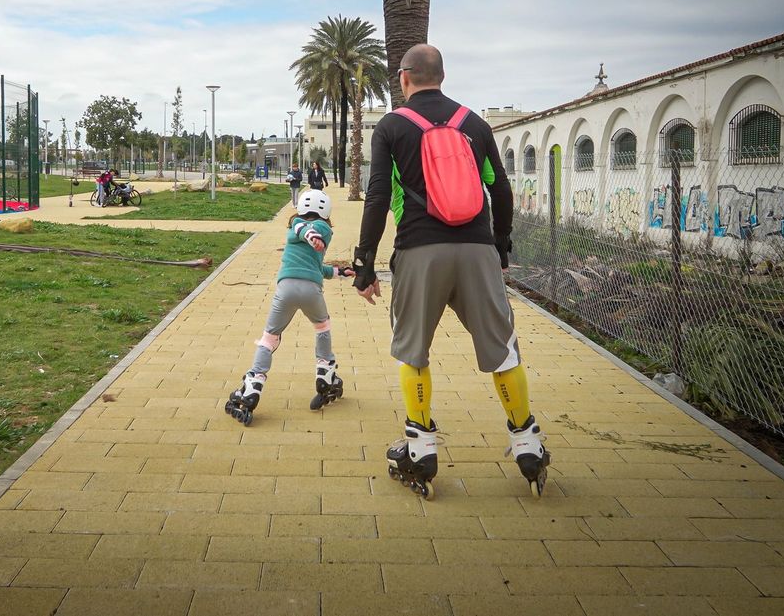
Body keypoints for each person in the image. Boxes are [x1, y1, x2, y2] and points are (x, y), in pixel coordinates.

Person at [349, 44, 547, 499]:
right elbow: (500, 189)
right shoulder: (474, 124)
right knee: (503, 351)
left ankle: (420, 448)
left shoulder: (392, 127)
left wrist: (364, 265)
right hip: (477, 250)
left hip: (420, 251)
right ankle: (527, 443)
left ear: (404, 78)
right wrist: (500, 246)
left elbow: (378, 196)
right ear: (442, 75)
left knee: (413, 351)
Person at [224, 189, 355, 424]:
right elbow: (304, 229)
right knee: (322, 327)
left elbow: (314, 259)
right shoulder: (318, 229)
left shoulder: (297, 225)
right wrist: (312, 235)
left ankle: (254, 384)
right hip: (311, 292)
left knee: (269, 338)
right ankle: (325, 374)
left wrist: (338, 271)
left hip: (285, 289)